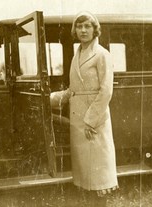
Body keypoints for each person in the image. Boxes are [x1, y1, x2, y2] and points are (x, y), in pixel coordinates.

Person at [50, 11, 118, 206]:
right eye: (79, 26)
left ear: (95, 29)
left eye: (87, 26)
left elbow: (106, 91)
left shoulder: (102, 54)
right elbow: (74, 90)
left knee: (98, 171)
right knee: (85, 171)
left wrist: (90, 120)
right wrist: (51, 99)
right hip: (78, 119)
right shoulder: (76, 55)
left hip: (94, 119)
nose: (83, 30)